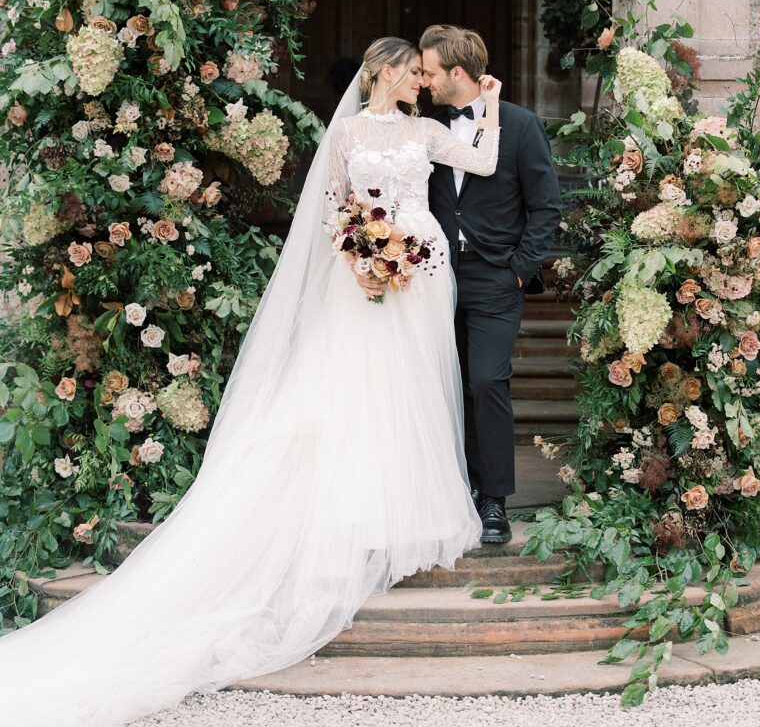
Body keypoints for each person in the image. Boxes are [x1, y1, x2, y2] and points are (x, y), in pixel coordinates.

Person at [0, 37, 502, 727]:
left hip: (419, 275)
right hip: (362, 277)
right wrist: (359, 247)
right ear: (384, 72)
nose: (421, 80)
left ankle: (401, 515)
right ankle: (351, 513)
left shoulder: (428, 130)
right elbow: (328, 206)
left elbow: (481, 159)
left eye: (424, 72)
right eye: (412, 71)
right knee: (357, 391)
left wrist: (490, 106)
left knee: (413, 393)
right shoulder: (350, 131)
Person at [420, 25, 562, 544]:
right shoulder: (425, 125)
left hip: (495, 277)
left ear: (458, 73)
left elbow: (546, 207)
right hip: (431, 276)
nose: (424, 81)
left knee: (486, 380)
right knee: (442, 385)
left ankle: (494, 500)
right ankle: (452, 490)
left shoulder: (521, 127)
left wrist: (520, 268)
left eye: (431, 71)